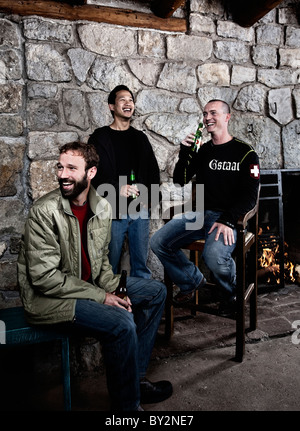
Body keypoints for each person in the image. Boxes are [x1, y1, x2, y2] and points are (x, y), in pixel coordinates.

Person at [17, 141, 172, 411]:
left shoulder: (101, 206)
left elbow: (100, 265)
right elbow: (44, 279)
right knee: (122, 323)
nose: (62, 174)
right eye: (60, 167)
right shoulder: (44, 212)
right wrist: (103, 297)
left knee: (156, 292)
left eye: (71, 168)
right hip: (48, 299)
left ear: (90, 173)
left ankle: (135, 381)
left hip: (87, 288)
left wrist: (115, 289)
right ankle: (127, 408)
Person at [151, 99, 260, 314]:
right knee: (158, 241)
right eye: (205, 114)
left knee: (213, 257)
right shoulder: (203, 151)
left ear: (227, 117)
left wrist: (228, 219)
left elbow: (250, 196)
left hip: (229, 219)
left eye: (213, 113)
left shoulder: (246, 153)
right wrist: (185, 151)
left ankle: (230, 292)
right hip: (200, 215)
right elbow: (181, 179)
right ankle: (192, 280)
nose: (207, 118)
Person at [88, 85, 160, 279]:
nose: (128, 103)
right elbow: (91, 172)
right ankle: (109, 306)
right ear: (112, 106)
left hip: (139, 208)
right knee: (108, 264)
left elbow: (153, 170)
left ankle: (141, 306)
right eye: (122, 100)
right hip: (111, 209)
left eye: (131, 100)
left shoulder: (140, 138)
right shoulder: (99, 137)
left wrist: (152, 197)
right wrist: (117, 188)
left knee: (140, 265)